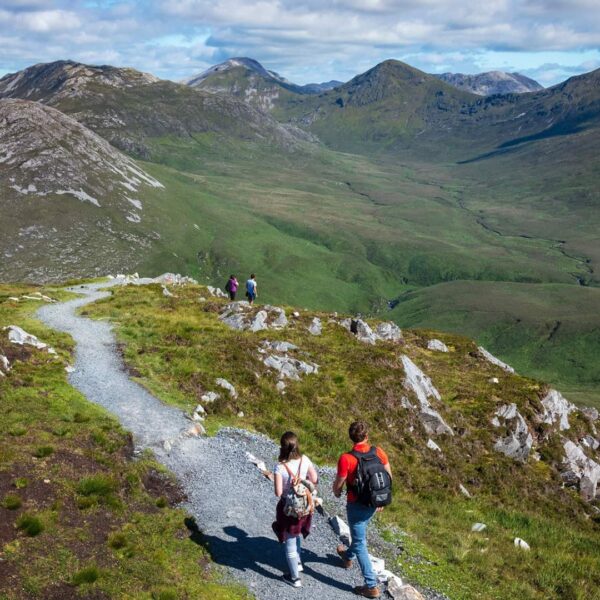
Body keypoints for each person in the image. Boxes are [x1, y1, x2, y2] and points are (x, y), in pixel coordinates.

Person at [333, 421, 392, 599]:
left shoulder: (346, 458)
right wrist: (381, 497)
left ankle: (371, 586)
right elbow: (388, 475)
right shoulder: (379, 451)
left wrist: (336, 491)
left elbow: (340, 482)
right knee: (359, 536)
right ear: (367, 436)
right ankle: (347, 556)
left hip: (356, 504)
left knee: (360, 542)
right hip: (374, 502)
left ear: (351, 437)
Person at [272, 431, 318, 588]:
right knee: (297, 533)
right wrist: (302, 482)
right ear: (296, 445)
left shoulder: (280, 467)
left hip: (289, 509)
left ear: (282, 448)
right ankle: (298, 562)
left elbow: (278, 492)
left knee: (290, 541)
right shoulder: (305, 460)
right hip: (305, 506)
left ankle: (294, 578)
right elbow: (315, 479)